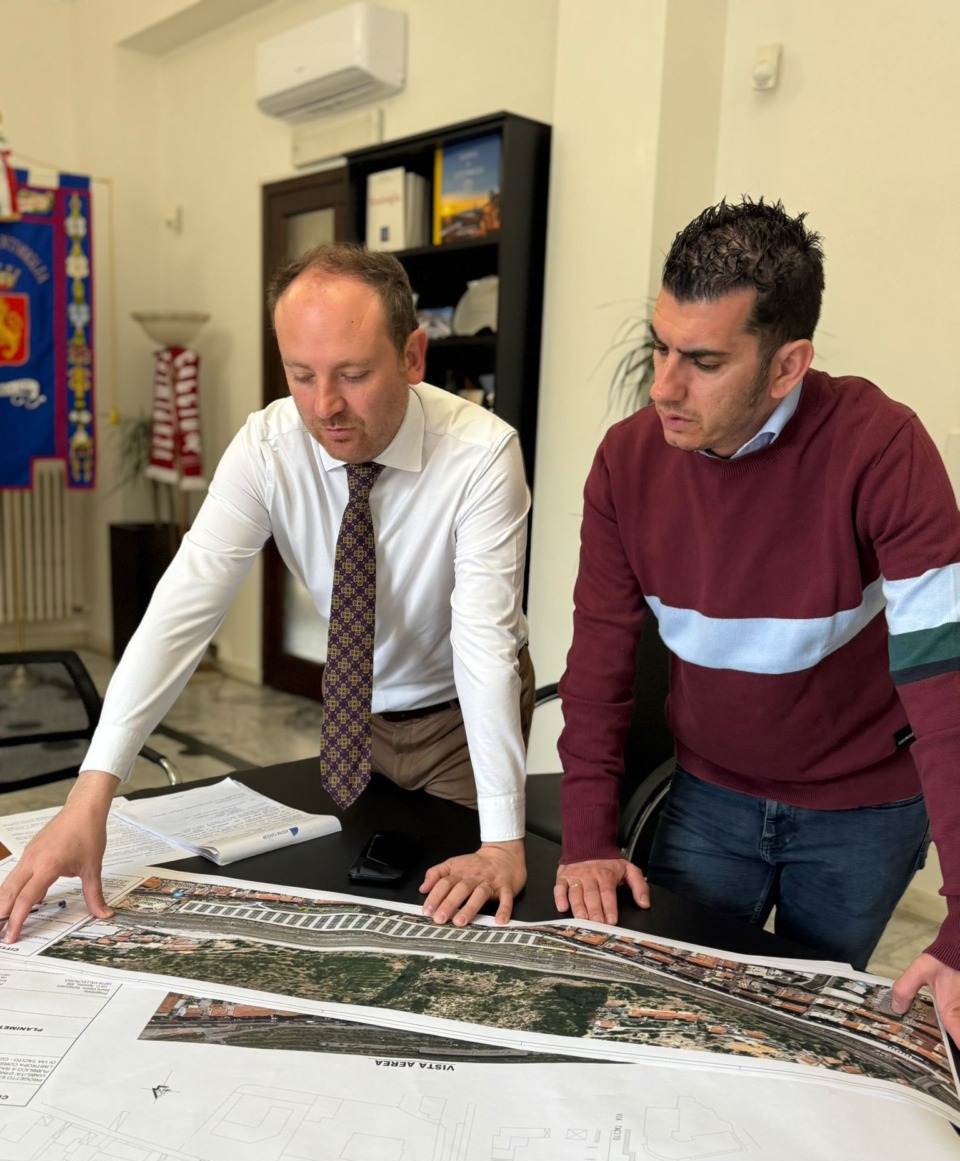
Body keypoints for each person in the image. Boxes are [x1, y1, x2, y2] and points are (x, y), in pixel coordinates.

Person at [0, 244, 533, 941]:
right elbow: (181, 610)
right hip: (355, 716)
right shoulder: (268, 445)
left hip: (458, 717)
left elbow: (484, 647)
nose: (325, 406)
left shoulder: (482, 455)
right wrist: (88, 797)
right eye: (301, 375)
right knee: (350, 898)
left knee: (459, 916)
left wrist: (503, 843)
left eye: (353, 375)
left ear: (412, 356)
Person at [553, 197, 960, 1042]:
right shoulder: (627, 462)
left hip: (864, 811)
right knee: (672, 1015)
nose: (663, 386)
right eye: (660, 347)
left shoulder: (882, 450)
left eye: (703, 360)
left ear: (787, 366)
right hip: (711, 794)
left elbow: (946, 684)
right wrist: (588, 837)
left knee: (802, 1031)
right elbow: (598, 662)